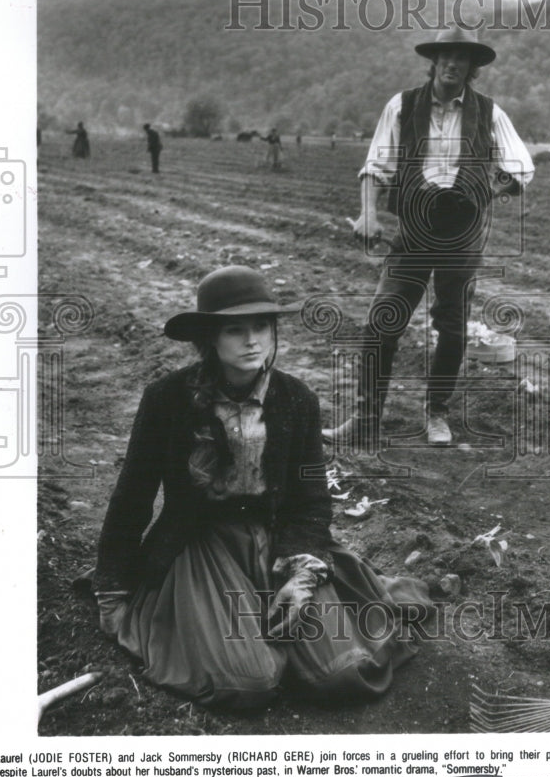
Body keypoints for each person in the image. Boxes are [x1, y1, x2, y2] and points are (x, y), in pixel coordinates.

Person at [92, 265, 430, 709]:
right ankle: (247, 645)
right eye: (235, 329)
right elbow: (132, 495)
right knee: (249, 684)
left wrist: (300, 576)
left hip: (279, 542)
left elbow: (310, 502)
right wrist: (113, 587)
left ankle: (299, 630)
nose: (252, 340)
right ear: (209, 338)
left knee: (344, 674)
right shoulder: (167, 399)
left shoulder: (297, 400)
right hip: (201, 545)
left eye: (262, 327)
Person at [322, 25, 534, 448]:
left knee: (453, 329)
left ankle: (437, 413)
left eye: (463, 58)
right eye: (446, 56)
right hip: (414, 232)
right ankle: (366, 418)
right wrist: (368, 213)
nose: (453, 64)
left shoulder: (489, 113)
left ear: (472, 67)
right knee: (382, 322)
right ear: (434, 61)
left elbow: (523, 167)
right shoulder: (402, 107)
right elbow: (375, 166)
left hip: (463, 236)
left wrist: (488, 190)